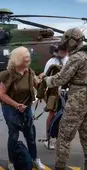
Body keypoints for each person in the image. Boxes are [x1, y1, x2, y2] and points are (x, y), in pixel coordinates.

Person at [43, 28, 87, 170]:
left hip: (78, 99)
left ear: (73, 41)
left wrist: (45, 80)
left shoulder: (77, 57)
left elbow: (61, 79)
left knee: (64, 137)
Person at [0, 46, 45, 170]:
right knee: (13, 135)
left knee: (30, 134)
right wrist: (16, 105)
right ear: (18, 59)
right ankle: (12, 161)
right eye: (25, 57)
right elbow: (1, 94)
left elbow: (37, 85)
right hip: (11, 108)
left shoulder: (29, 72)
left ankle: (34, 159)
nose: (28, 59)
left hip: (26, 106)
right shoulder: (8, 74)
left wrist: (44, 80)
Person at [39, 44, 69, 150]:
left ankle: (58, 139)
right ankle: (49, 139)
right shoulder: (51, 62)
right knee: (52, 114)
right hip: (54, 92)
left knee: (64, 116)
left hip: (67, 91)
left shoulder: (68, 59)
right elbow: (46, 78)